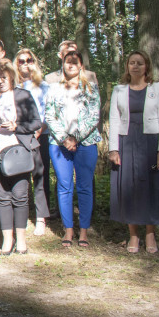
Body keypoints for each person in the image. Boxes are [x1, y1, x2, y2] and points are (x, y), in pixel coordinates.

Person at [108, 51, 159, 254]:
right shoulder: (119, 89)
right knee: (128, 186)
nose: (135, 66)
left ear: (147, 67)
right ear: (127, 66)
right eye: (132, 63)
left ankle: (150, 233)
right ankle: (133, 235)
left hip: (150, 142)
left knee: (151, 186)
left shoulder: (158, 89)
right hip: (126, 141)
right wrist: (113, 149)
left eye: (140, 63)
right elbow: (114, 120)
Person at [0, 59, 42, 255]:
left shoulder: (23, 95)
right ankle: (8, 240)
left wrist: (16, 127)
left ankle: (21, 241)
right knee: (1, 197)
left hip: (17, 150)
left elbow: (36, 122)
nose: (0, 81)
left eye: (3, 77)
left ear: (11, 77)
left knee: (20, 196)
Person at [45, 51, 101, 249]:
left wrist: (75, 138)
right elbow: (49, 115)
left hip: (85, 144)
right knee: (64, 186)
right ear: (63, 65)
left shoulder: (90, 88)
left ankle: (83, 230)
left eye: (74, 62)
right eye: (67, 62)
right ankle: (68, 229)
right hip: (59, 145)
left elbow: (94, 117)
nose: (70, 65)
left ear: (81, 66)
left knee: (84, 187)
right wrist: (64, 139)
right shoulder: (53, 89)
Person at [14, 48, 53, 234]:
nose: (25, 64)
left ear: (34, 62)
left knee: (41, 177)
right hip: (18, 135)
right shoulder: (14, 87)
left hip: (40, 136)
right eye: (21, 61)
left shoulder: (43, 86)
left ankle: (41, 217)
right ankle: (21, 213)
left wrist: (40, 129)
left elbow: (49, 112)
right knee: (19, 176)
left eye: (28, 60)